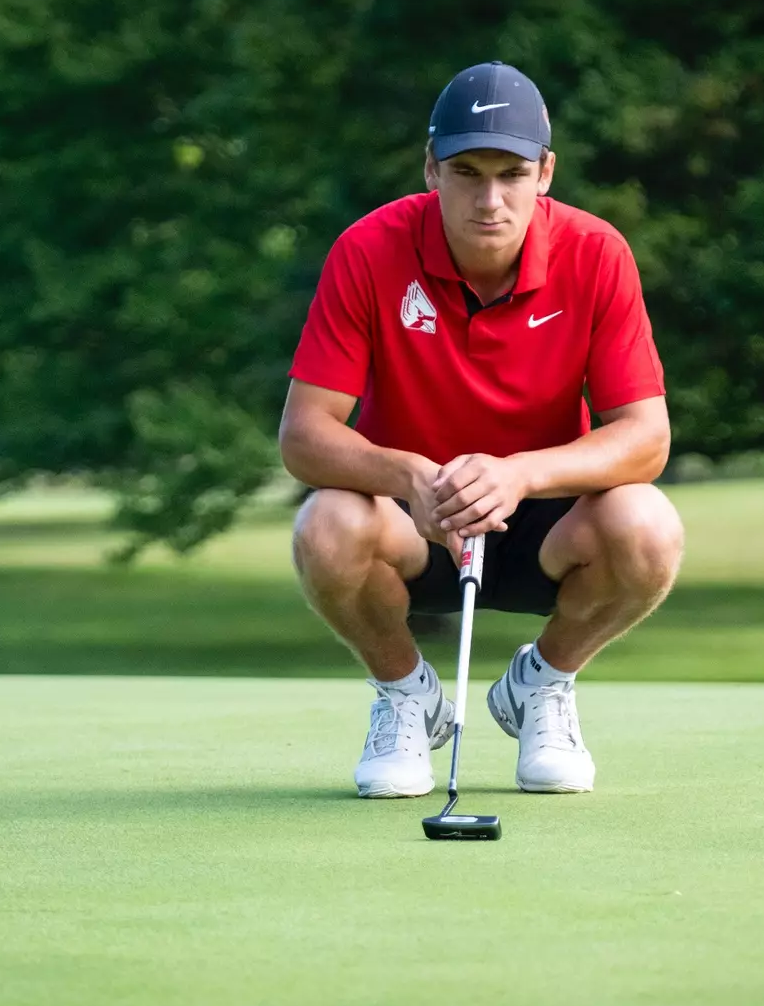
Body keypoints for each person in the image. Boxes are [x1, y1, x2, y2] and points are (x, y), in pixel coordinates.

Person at [279, 60, 684, 799]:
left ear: (546, 173)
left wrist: (519, 472)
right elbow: (304, 437)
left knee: (648, 525)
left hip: (550, 524)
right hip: (414, 527)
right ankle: (405, 697)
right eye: (466, 171)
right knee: (326, 524)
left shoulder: (597, 254)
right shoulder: (368, 251)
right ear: (430, 168)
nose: (489, 199)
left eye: (511, 173)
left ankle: (542, 683)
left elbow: (646, 438)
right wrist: (414, 479)